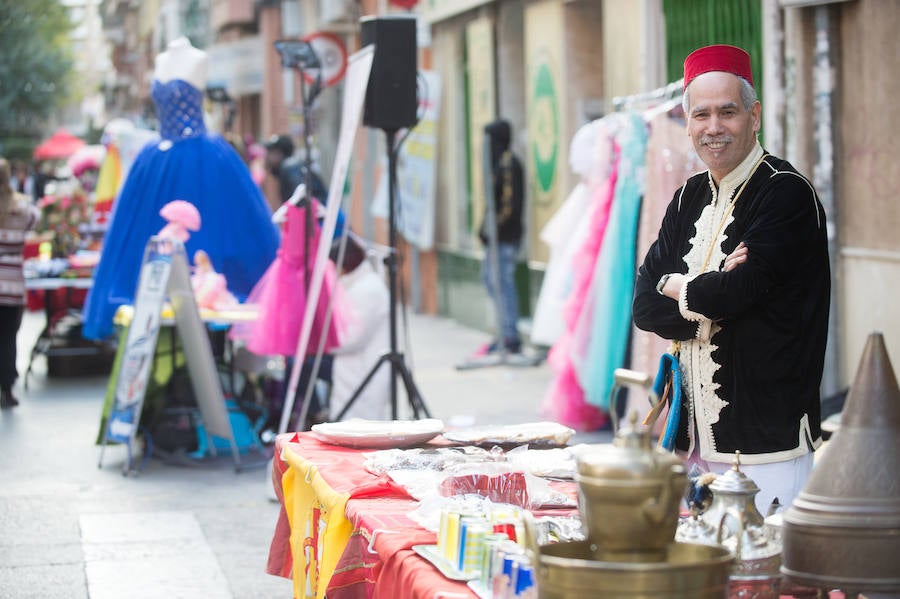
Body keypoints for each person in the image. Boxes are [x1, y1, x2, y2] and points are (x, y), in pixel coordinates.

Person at [632, 44, 830, 513]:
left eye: (728, 112)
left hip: (766, 444)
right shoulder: (688, 197)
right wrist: (709, 293)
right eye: (701, 115)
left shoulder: (786, 192)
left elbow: (740, 290)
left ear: (754, 115)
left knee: (764, 579)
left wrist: (679, 285)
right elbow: (643, 304)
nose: (713, 128)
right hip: (692, 443)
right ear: (687, 122)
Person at [81, 36, 280, 340]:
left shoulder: (198, 58)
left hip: (200, 160)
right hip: (162, 157)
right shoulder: (161, 61)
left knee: (215, 231)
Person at [474, 119, 525, 355]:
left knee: (502, 285)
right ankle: (503, 332)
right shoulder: (499, 164)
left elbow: (507, 206)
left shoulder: (508, 165)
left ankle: (509, 336)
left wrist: (492, 230)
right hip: (497, 238)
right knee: (493, 283)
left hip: (504, 239)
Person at [0, 158, 40, 408]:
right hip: (13, 282)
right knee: (8, 337)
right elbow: (36, 220)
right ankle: (7, 387)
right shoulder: (23, 209)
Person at [264, 134, 327, 205]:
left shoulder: (291, 170)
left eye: (270, 153)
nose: (267, 158)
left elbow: (302, 202)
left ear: (279, 154)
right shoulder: (290, 168)